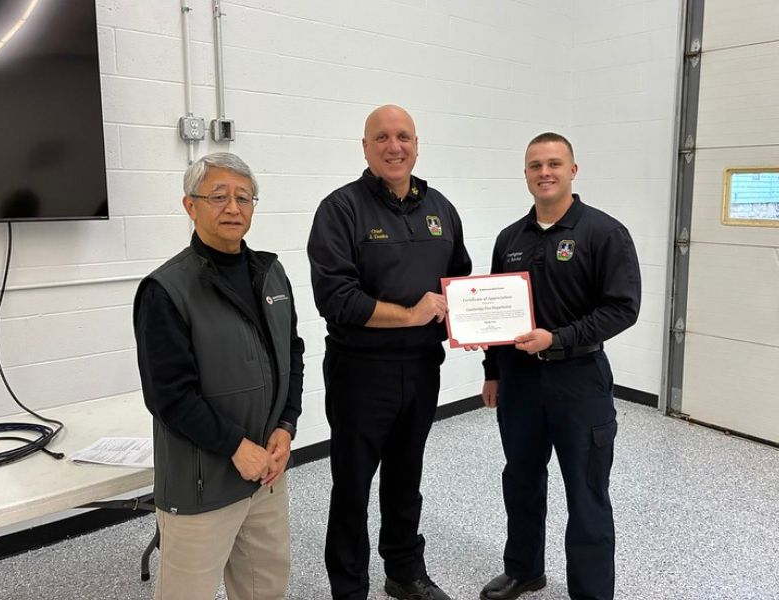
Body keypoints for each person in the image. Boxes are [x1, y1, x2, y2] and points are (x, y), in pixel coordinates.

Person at [307, 105, 472, 600]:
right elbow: (335, 298)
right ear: (365, 147)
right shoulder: (341, 209)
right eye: (381, 137)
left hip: (422, 368)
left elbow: (459, 280)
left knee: (406, 477)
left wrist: (471, 319)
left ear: (417, 146)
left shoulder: (441, 208)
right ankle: (349, 589)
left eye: (403, 137)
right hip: (361, 372)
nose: (393, 146)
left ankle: (404, 572)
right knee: (352, 486)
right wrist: (410, 314)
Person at [133, 152, 304, 600]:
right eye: (219, 196)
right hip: (201, 484)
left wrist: (286, 426)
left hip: (265, 473)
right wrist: (234, 446)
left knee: (265, 587)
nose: (233, 207)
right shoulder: (166, 290)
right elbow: (169, 397)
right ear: (190, 206)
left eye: (243, 198)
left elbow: (292, 354)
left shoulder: (271, 274)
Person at [479, 133, 641, 600]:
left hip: (579, 381)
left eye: (554, 163)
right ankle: (524, 570)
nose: (544, 172)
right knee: (521, 480)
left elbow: (622, 308)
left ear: (573, 170)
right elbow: (496, 310)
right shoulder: (510, 239)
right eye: (535, 165)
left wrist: (558, 339)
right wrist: (492, 370)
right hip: (520, 383)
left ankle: (591, 592)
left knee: (586, 493)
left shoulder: (604, 233)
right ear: (525, 174)